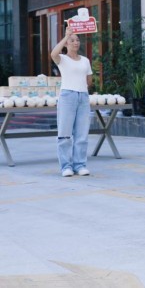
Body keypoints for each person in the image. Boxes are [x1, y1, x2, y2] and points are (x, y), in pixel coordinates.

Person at [50, 25, 93, 177]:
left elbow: (89, 80)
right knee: (65, 133)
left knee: (82, 133)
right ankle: (66, 166)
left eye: (77, 40)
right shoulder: (63, 59)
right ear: (67, 44)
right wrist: (65, 36)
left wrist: (82, 89)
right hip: (67, 96)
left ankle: (80, 165)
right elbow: (53, 53)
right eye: (72, 40)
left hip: (83, 96)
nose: (76, 42)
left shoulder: (85, 61)